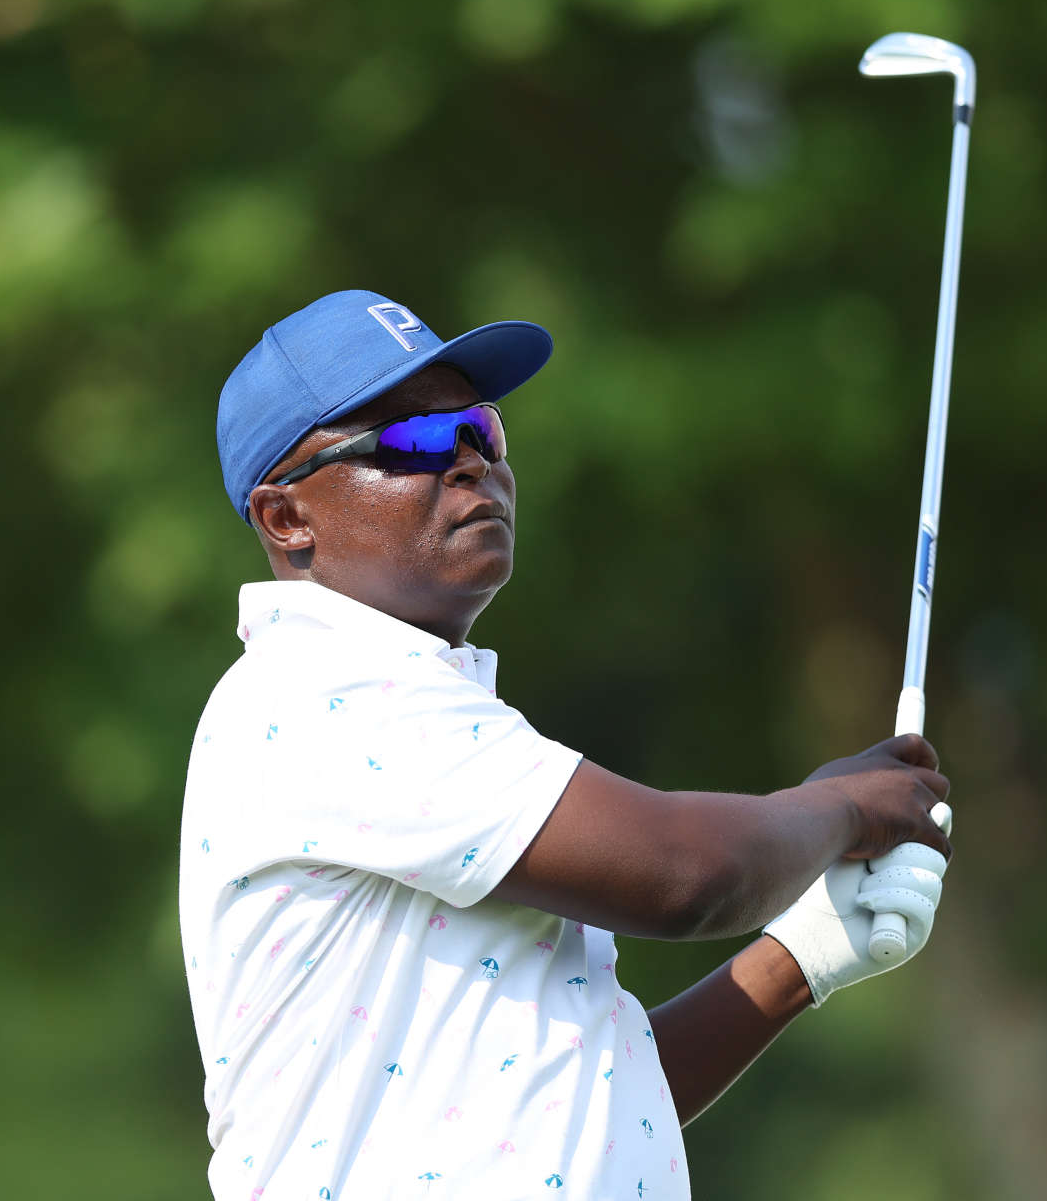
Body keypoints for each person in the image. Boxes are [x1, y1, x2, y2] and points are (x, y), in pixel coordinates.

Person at [181, 290, 953, 1201]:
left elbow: (600, 1100)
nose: (469, 462)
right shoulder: (326, 690)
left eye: (481, 430)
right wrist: (845, 806)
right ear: (286, 517)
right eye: (416, 440)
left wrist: (803, 956)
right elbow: (685, 872)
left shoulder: (403, 702)